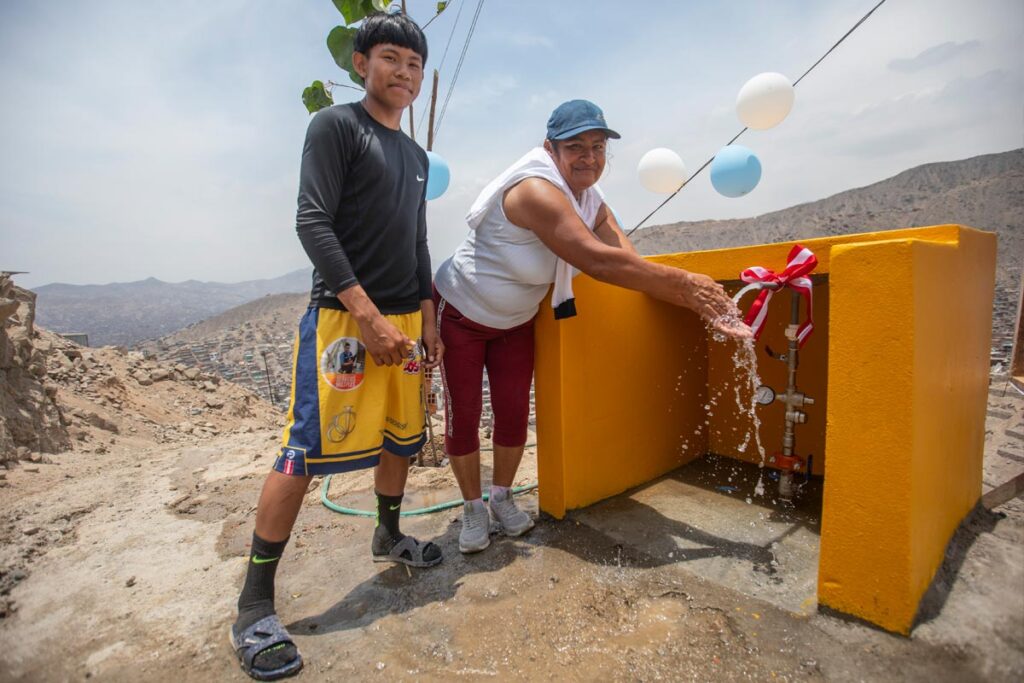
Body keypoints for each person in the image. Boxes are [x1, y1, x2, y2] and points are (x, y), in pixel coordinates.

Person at [433, 99, 751, 554]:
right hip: (462, 310)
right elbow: (597, 261)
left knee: (513, 414)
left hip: (516, 321)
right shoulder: (535, 191)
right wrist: (690, 288)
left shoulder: (591, 201)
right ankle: (471, 507)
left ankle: (500, 498)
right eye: (575, 146)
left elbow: (629, 264)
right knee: (463, 415)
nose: (588, 156)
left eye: (598, 146)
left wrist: (700, 309)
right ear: (550, 149)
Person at [229, 13, 442, 681]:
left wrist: (426, 317)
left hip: (405, 324)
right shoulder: (336, 128)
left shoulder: (415, 156)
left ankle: (388, 533)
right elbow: (311, 220)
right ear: (360, 64)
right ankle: (253, 606)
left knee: (402, 437)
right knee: (302, 452)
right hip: (344, 327)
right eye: (389, 58)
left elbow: (416, 240)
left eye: (413, 63)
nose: (403, 72)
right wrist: (369, 315)